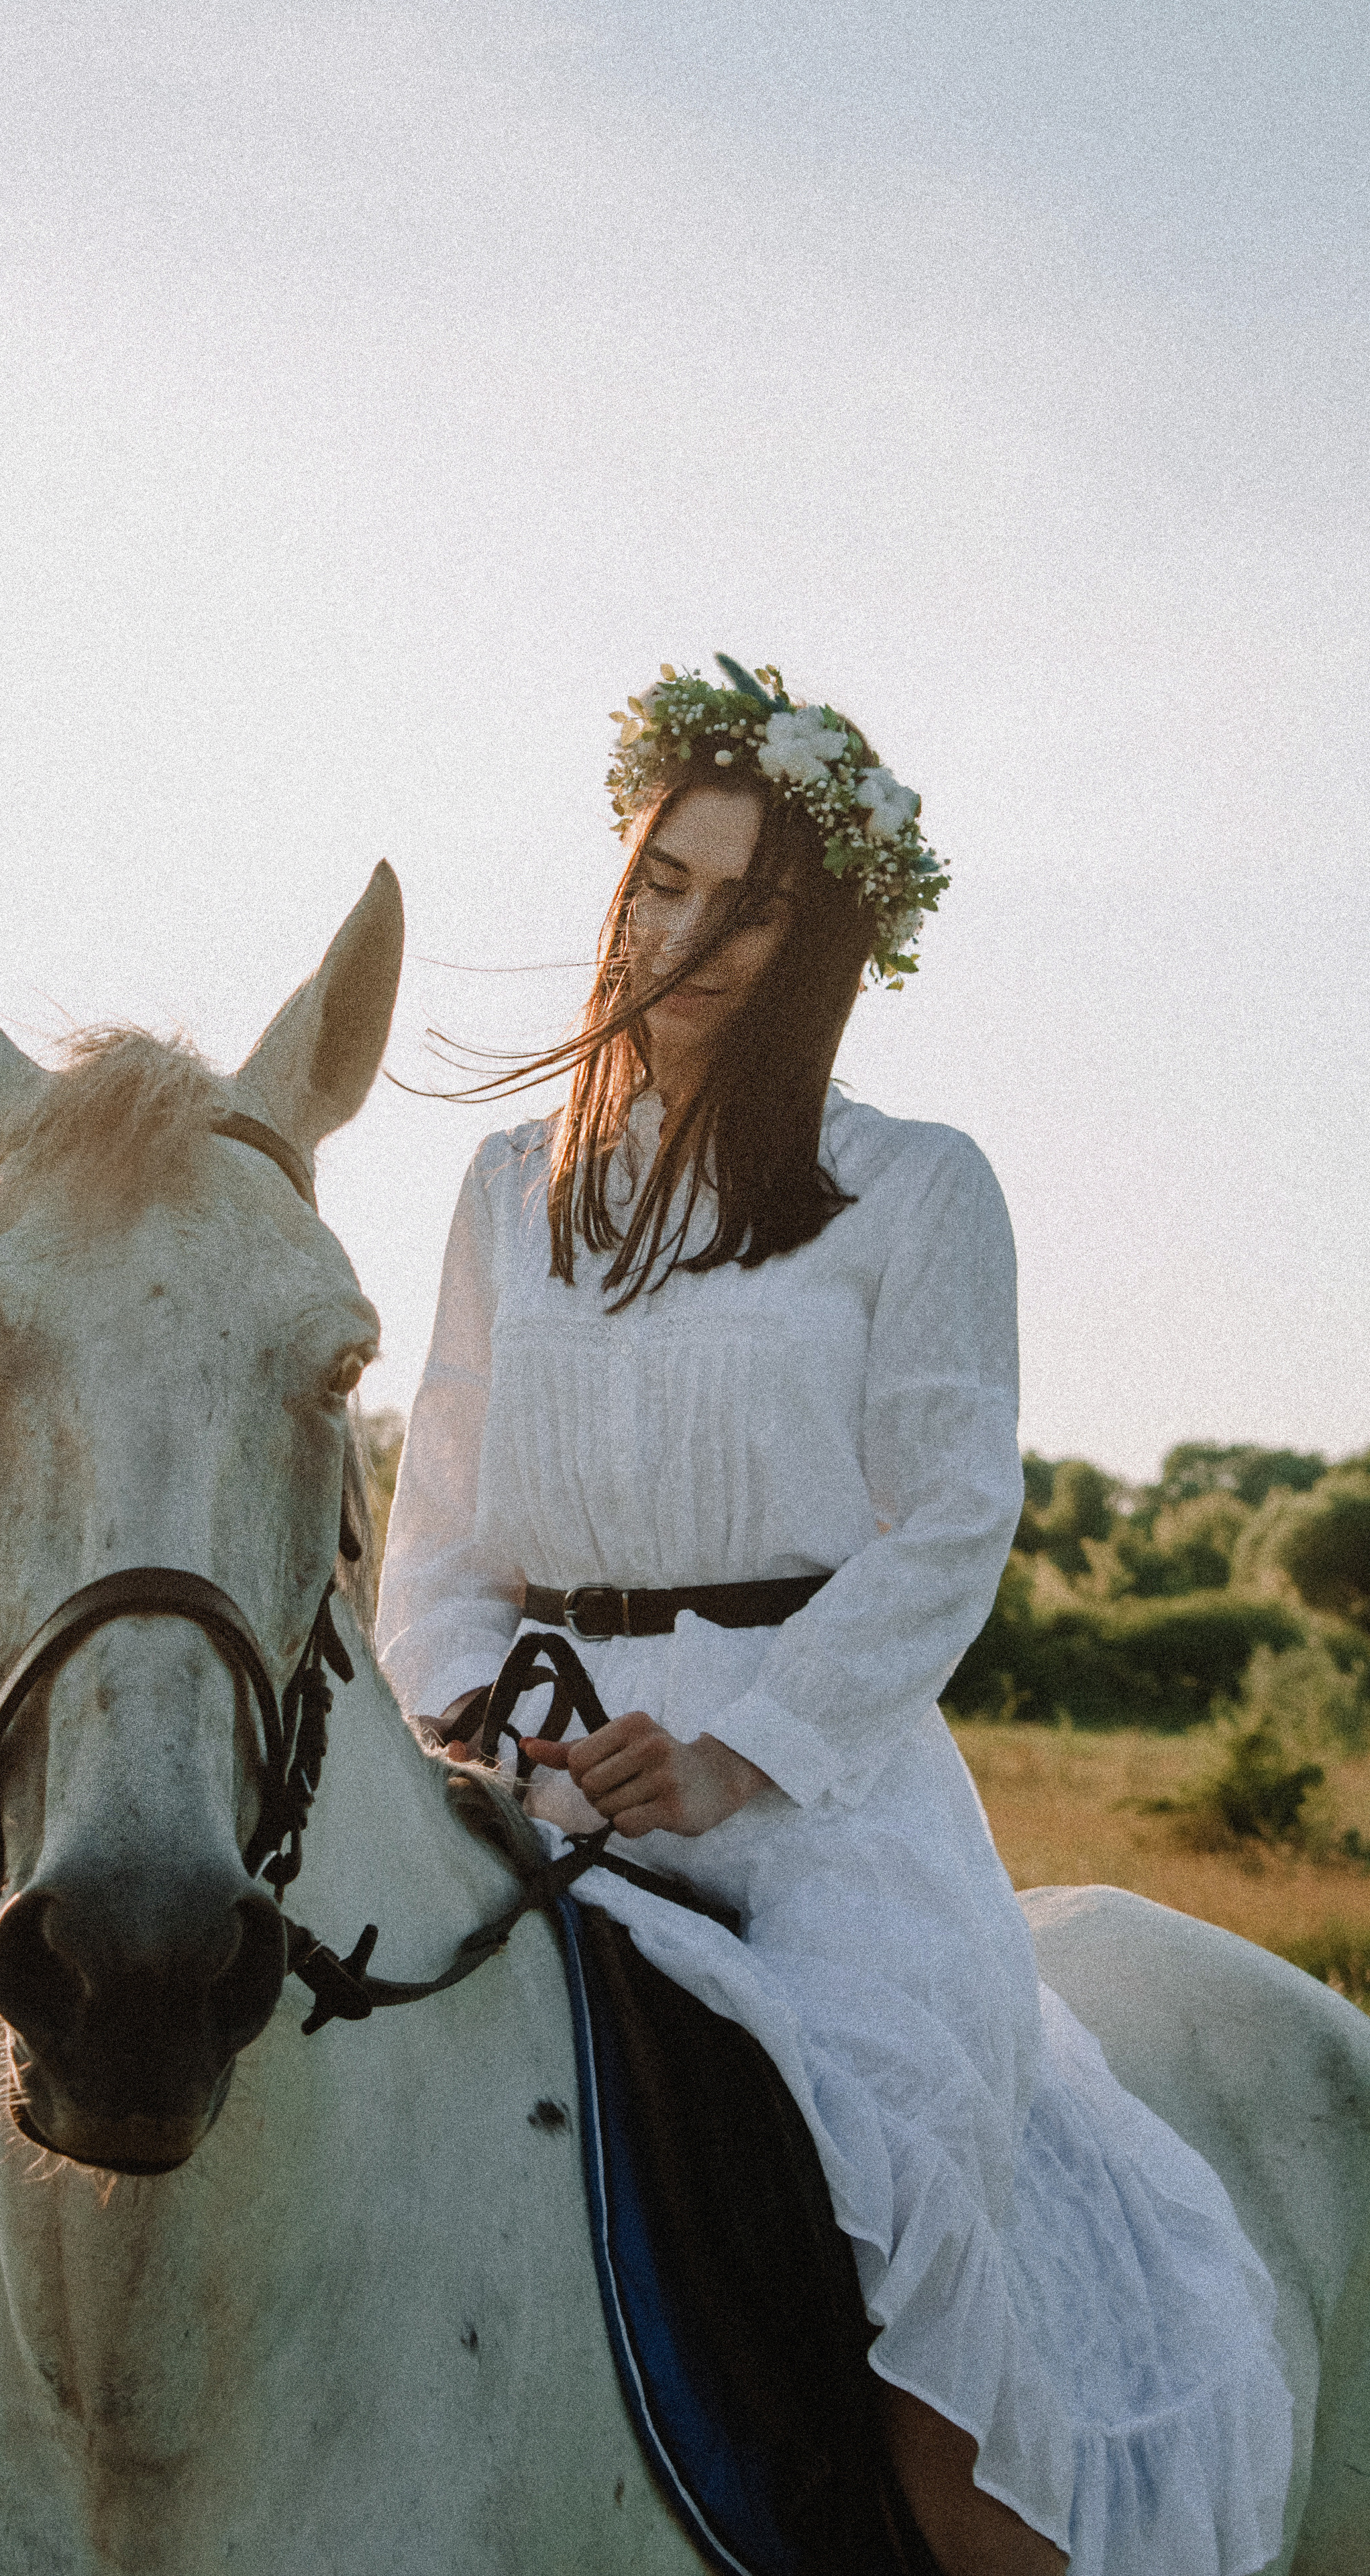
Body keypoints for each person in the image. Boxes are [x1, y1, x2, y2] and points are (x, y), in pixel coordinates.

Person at [376, 658, 1294, 2576]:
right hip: (528, 1756)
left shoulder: (914, 1189)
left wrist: (733, 1757)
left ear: (825, 941)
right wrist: (485, 1728)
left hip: (819, 1792)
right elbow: (439, 1528)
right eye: (662, 883)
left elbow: (951, 1527)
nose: (689, 938)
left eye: (751, 902)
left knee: (897, 2223)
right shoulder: (496, 1191)